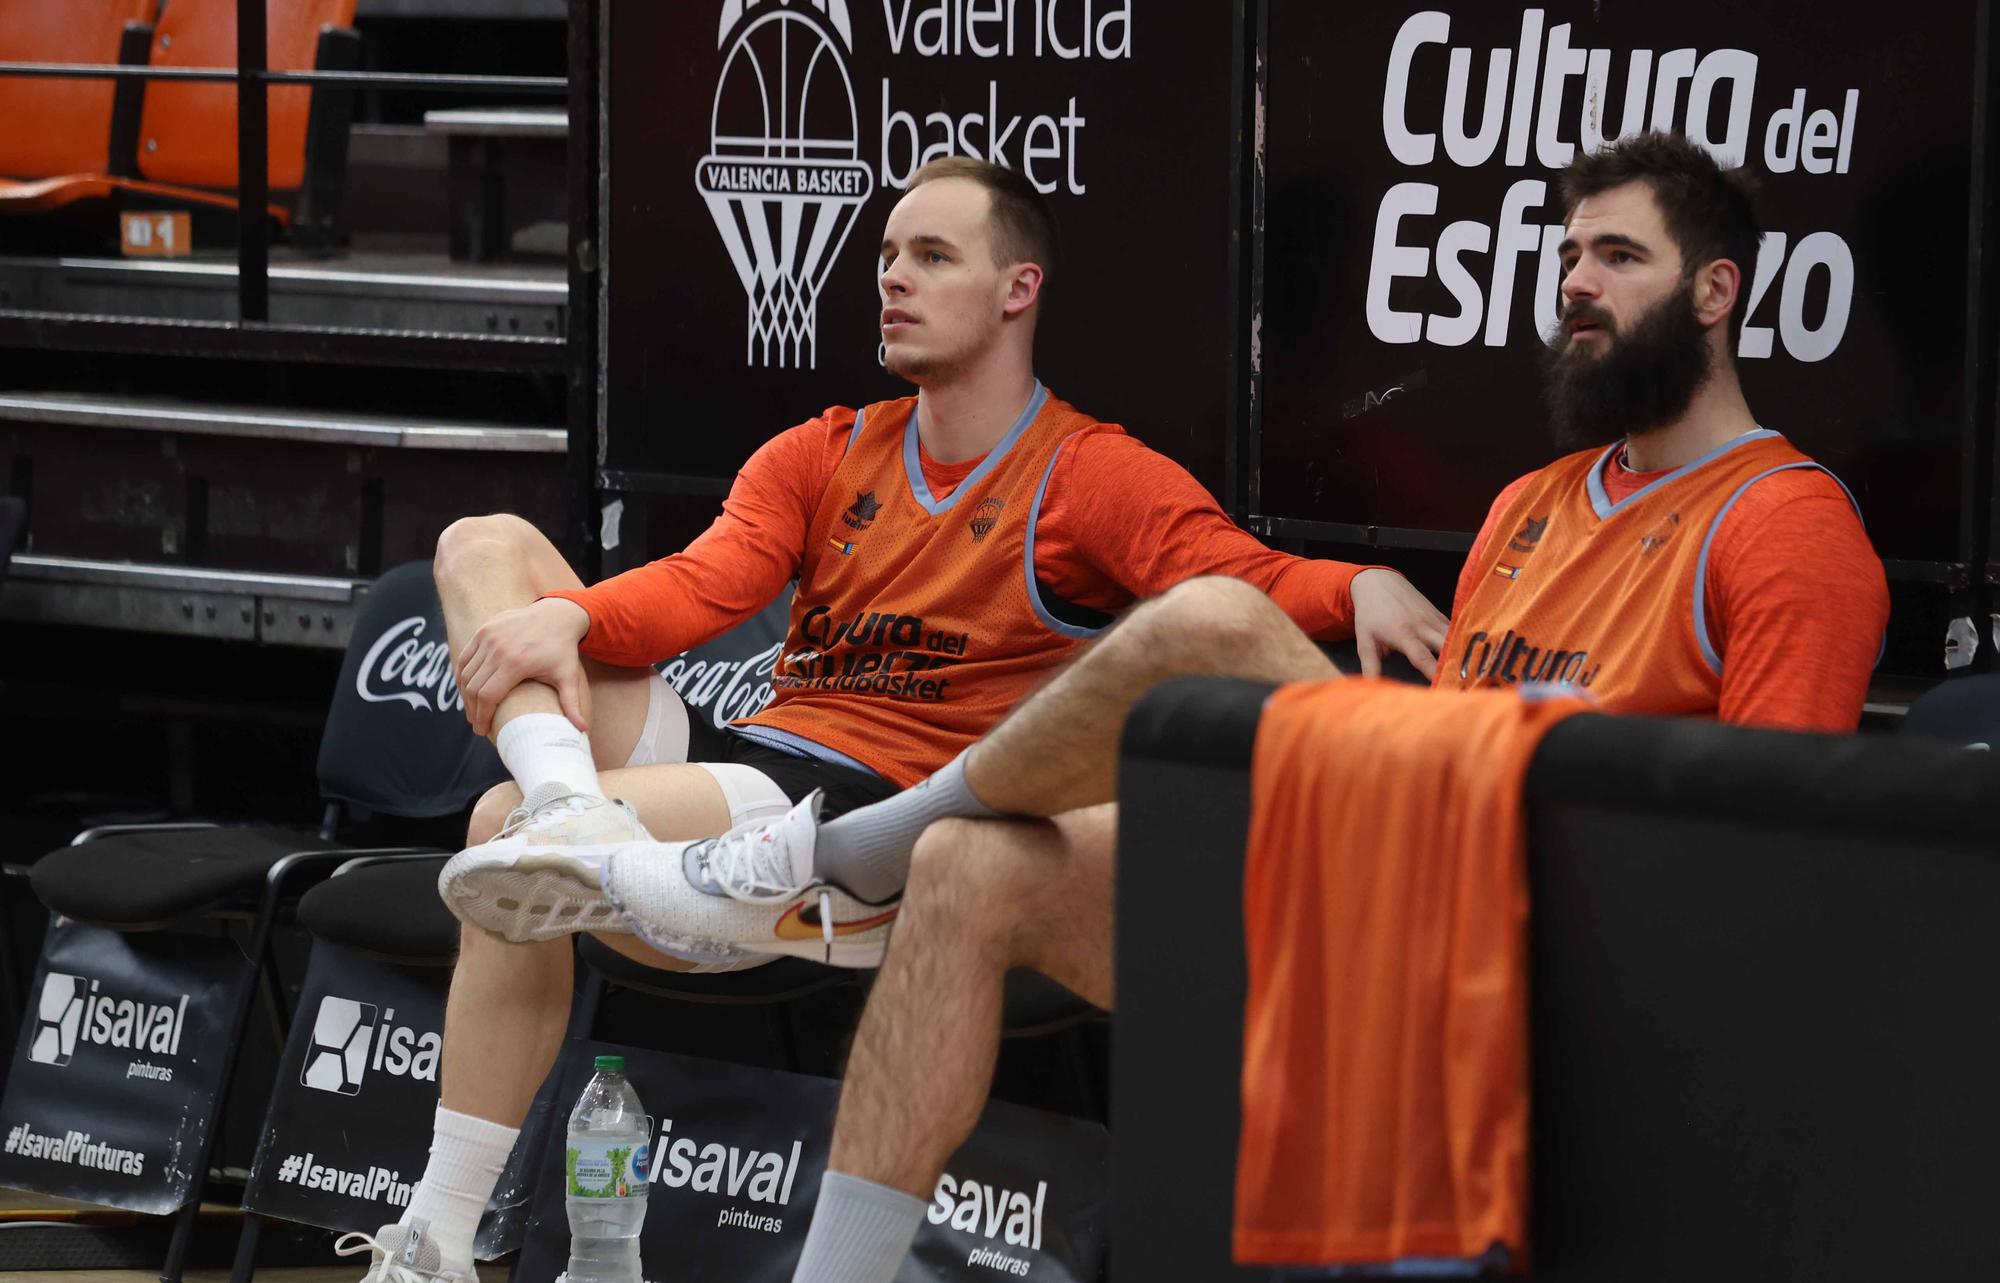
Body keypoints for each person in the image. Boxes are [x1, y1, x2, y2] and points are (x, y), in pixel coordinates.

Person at [455, 131, 1888, 1282]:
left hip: (1536, 918)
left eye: (1619, 257)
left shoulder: (1784, 526)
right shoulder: (1531, 501)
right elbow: (703, 581)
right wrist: (574, 616)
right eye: (1568, 255)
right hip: (1394, 867)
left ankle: (828, 856)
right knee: (968, 866)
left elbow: (1763, 859)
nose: (1577, 284)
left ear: (1716, 291)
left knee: (1201, 623)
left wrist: (1329, 606)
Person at [341, 155, 1444, 1283]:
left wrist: (1348, 584)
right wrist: (566, 619)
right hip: (761, 754)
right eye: (885, 257)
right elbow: (701, 584)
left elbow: (1229, 578)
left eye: (931, 256)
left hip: (883, 803)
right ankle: (564, 814)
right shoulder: (825, 446)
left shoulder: (1085, 471)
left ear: (1016, 289)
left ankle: (438, 1234)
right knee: (480, 545)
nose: (893, 280)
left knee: (492, 822)